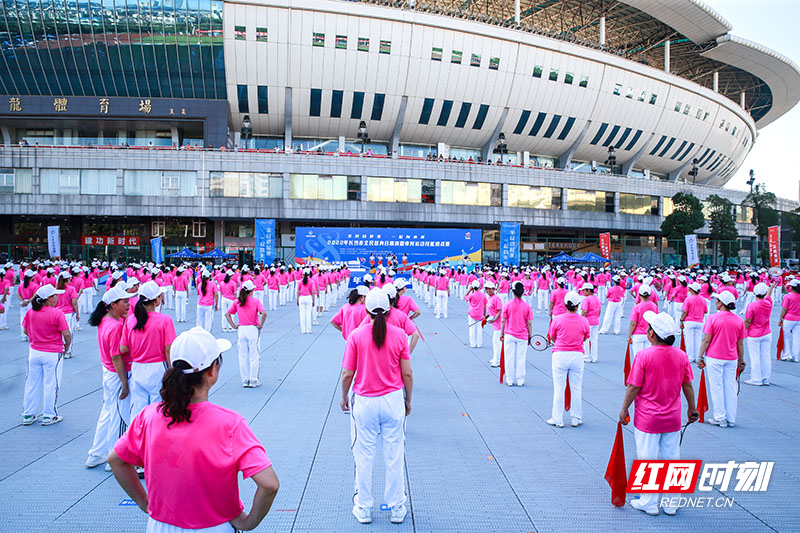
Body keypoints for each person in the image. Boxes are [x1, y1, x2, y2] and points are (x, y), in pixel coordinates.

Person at [108, 327, 280, 532]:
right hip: (214, 526)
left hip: (161, 525)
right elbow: (269, 484)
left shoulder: (148, 417)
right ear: (212, 370)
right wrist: (249, 522)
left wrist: (144, 502)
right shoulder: (230, 424)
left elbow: (116, 459)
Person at [340, 290, 413, 525]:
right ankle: (397, 508)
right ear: (390, 309)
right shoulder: (400, 335)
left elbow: (347, 374)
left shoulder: (356, 336)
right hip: (393, 401)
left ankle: (363, 507)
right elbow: (408, 373)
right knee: (394, 456)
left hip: (365, 401)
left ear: (366, 310)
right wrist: (408, 399)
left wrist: (343, 396)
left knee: (364, 456)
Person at [620, 311, 699, 516]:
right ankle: (672, 503)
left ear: (651, 335)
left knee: (648, 457)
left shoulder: (644, 355)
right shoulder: (681, 355)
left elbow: (634, 386)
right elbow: (688, 385)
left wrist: (624, 408)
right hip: (672, 417)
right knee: (672, 457)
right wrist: (692, 408)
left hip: (648, 418)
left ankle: (649, 502)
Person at [85, 285, 134, 471]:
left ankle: (96, 453)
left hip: (109, 372)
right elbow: (116, 356)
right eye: (125, 301)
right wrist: (124, 383)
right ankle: (115, 457)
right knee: (120, 416)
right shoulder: (115, 326)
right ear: (113, 305)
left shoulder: (105, 321)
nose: (128, 304)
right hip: (118, 372)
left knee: (107, 412)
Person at [120, 281, 176, 424]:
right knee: (160, 408)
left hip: (137, 366)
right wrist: (172, 370)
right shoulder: (164, 320)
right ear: (156, 300)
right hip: (158, 367)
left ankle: (136, 441)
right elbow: (168, 348)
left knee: (138, 410)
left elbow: (123, 348)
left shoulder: (130, 320)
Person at [21, 285, 72, 426]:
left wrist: (36, 338)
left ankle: (28, 414)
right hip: (52, 352)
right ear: (49, 298)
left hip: (34, 351)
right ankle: (49, 415)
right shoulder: (56, 313)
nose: (57, 297)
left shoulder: (30, 312)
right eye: (55, 295)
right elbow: (67, 334)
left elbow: (25, 330)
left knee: (32, 383)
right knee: (51, 384)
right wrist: (66, 346)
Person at [698, 292, 746, 428]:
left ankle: (720, 416)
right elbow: (740, 343)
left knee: (716, 387)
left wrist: (700, 356)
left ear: (721, 303)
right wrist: (741, 360)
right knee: (730, 386)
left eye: (717, 300)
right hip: (731, 357)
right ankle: (731, 418)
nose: (715, 302)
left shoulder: (713, 318)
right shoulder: (738, 320)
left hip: (714, 356)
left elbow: (706, 339)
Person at [547, 291, 590, 427]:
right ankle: (576, 418)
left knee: (559, 388)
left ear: (565, 304)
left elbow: (552, 336)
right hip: (577, 355)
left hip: (560, 355)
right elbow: (585, 337)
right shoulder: (584, 320)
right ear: (578, 305)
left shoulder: (557, 319)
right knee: (576, 388)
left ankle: (557, 419)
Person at [225, 280, 267, 388]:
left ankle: (245, 379)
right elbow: (264, 313)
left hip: (241, 329)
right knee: (254, 355)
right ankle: (253, 379)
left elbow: (227, 314)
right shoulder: (256, 301)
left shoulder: (237, 302)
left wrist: (234, 325)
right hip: (253, 329)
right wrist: (261, 325)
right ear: (252, 290)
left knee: (242, 355)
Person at [500, 281, 533, 387]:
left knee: (509, 358)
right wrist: (530, 336)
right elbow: (529, 323)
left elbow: (503, 321)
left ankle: (509, 379)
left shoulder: (507, 304)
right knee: (521, 358)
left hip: (509, 334)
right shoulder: (527, 306)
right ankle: (520, 380)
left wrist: (502, 333)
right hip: (522, 335)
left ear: (513, 292)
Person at [744, 282, 775, 386]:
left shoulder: (751, 306)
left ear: (754, 293)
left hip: (754, 334)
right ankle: (766, 378)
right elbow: (769, 295)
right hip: (766, 332)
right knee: (766, 356)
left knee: (755, 356)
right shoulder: (768, 302)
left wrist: (743, 332)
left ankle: (756, 379)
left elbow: (748, 321)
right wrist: (771, 287)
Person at [627, 285, 658, 359]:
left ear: (639, 294)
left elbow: (633, 323)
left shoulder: (637, 307)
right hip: (650, 334)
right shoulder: (654, 306)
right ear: (650, 295)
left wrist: (629, 336)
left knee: (638, 358)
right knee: (648, 358)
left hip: (638, 334)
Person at [680, 282, 707, 363]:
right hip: (699, 321)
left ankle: (690, 357)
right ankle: (697, 356)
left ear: (692, 290)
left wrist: (681, 320)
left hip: (689, 321)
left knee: (689, 340)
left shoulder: (688, 299)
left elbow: (685, 311)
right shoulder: (703, 299)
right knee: (698, 340)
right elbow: (705, 311)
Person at [55, 272, 79, 358]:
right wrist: (77, 313)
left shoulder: (56, 289)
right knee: (69, 332)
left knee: (58, 332)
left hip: (57, 312)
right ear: (67, 279)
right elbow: (74, 302)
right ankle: (68, 351)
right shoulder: (71, 289)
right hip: (68, 313)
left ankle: (60, 350)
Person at [779, 279, 800, 362]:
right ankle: (796, 356)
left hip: (789, 318)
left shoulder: (788, 296)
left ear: (791, 287)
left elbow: (784, 309)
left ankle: (786, 354)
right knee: (797, 338)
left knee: (786, 336)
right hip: (798, 319)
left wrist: (780, 318)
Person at [580, 283, 600, 362]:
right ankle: (594, 357)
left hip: (588, 322)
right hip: (596, 321)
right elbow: (599, 310)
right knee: (594, 340)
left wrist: (581, 319)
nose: (583, 292)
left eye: (584, 290)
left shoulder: (586, 299)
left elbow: (584, 311)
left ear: (588, 290)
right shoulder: (597, 298)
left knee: (586, 340)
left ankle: (586, 356)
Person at [17, 269, 39, 341]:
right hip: (30, 303)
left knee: (23, 319)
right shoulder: (34, 285)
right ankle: (30, 335)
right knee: (31, 320)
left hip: (23, 302)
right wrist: (29, 301)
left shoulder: (21, 285)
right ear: (32, 277)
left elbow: (18, 294)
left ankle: (23, 335)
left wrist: (23, 301)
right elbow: (35, 295)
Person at [485, 281, 503, 367]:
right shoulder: (490, 298)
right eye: (487, 289)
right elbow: (492, 309)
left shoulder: (496, 298)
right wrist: (488, 315)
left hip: (499, 323)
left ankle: (497, 360)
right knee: (495, 341)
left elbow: (500, 310)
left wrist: (495, 319)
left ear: (494, 289)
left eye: (490, 289)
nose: (488, 290)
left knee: (496, 341)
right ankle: (495, 357)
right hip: (494, 323)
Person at [465, 280, 487, 348]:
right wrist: (484, 314)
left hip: (472, 314)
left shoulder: (471, 295)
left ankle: (473, 343)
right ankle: (479, 343)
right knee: (479, 329)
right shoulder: (483, 295)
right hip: (480, 314)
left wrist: (469, 290)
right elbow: (485, 305)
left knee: (472, 329)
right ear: (479, 286)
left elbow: (465, 297)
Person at [296, 268, 315, 334]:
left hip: (301, 298)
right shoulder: (311, 282)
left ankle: (303, 330)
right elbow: (313, 292)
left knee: (302, 315)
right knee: (308, 314)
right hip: (308, 298)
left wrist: (297, 299)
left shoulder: (300, 282)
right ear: (309, 274)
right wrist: (313, 300)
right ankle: (308, 329)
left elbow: (298, 291)